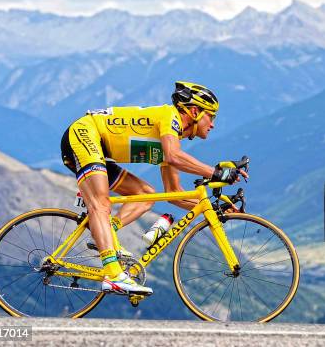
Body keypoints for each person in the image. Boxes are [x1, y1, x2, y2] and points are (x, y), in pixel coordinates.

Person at [60, 81, 246, 295]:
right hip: (84, 134)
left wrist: (215, 209)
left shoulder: (170, 138)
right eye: (211, 116)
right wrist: (217, 173)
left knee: (147, 195)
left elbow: (175, 195)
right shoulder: (170, 117)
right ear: (194, 111)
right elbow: (174, 157)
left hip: (96, 147)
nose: (212, 124)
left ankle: (105, 232)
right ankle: (112, 274)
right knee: (100, 205)